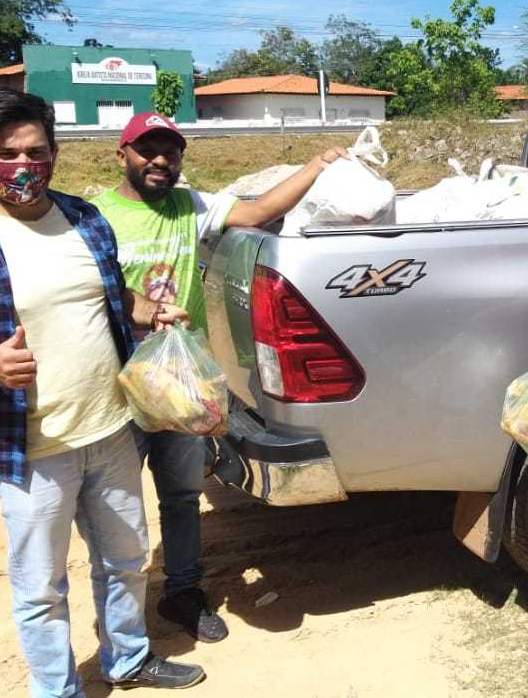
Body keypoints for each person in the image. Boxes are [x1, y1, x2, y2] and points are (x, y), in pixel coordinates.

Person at [0, 89, 205, 697]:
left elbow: (109, 298)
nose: (24, 166)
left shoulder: (86, 220)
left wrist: (153, 312)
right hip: (31, 452)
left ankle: (128, 658)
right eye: (7, 154)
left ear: (56, 153)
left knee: (126, 559)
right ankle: (58, 689)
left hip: (113, 432)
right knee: (41, 587)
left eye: (37, 152)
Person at [91, 111, 348, 643]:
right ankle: (120, 618)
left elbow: (261, 209)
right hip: (119, 382)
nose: (161, 161)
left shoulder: (192, 206)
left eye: (171, 151)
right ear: (123, 155)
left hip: (182, 383)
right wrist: (135, 308)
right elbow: (88, 291)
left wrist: (316, 165)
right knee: (114, 503)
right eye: (148, 150)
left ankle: (183, 594)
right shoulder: (96, 218)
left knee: (182, 496)